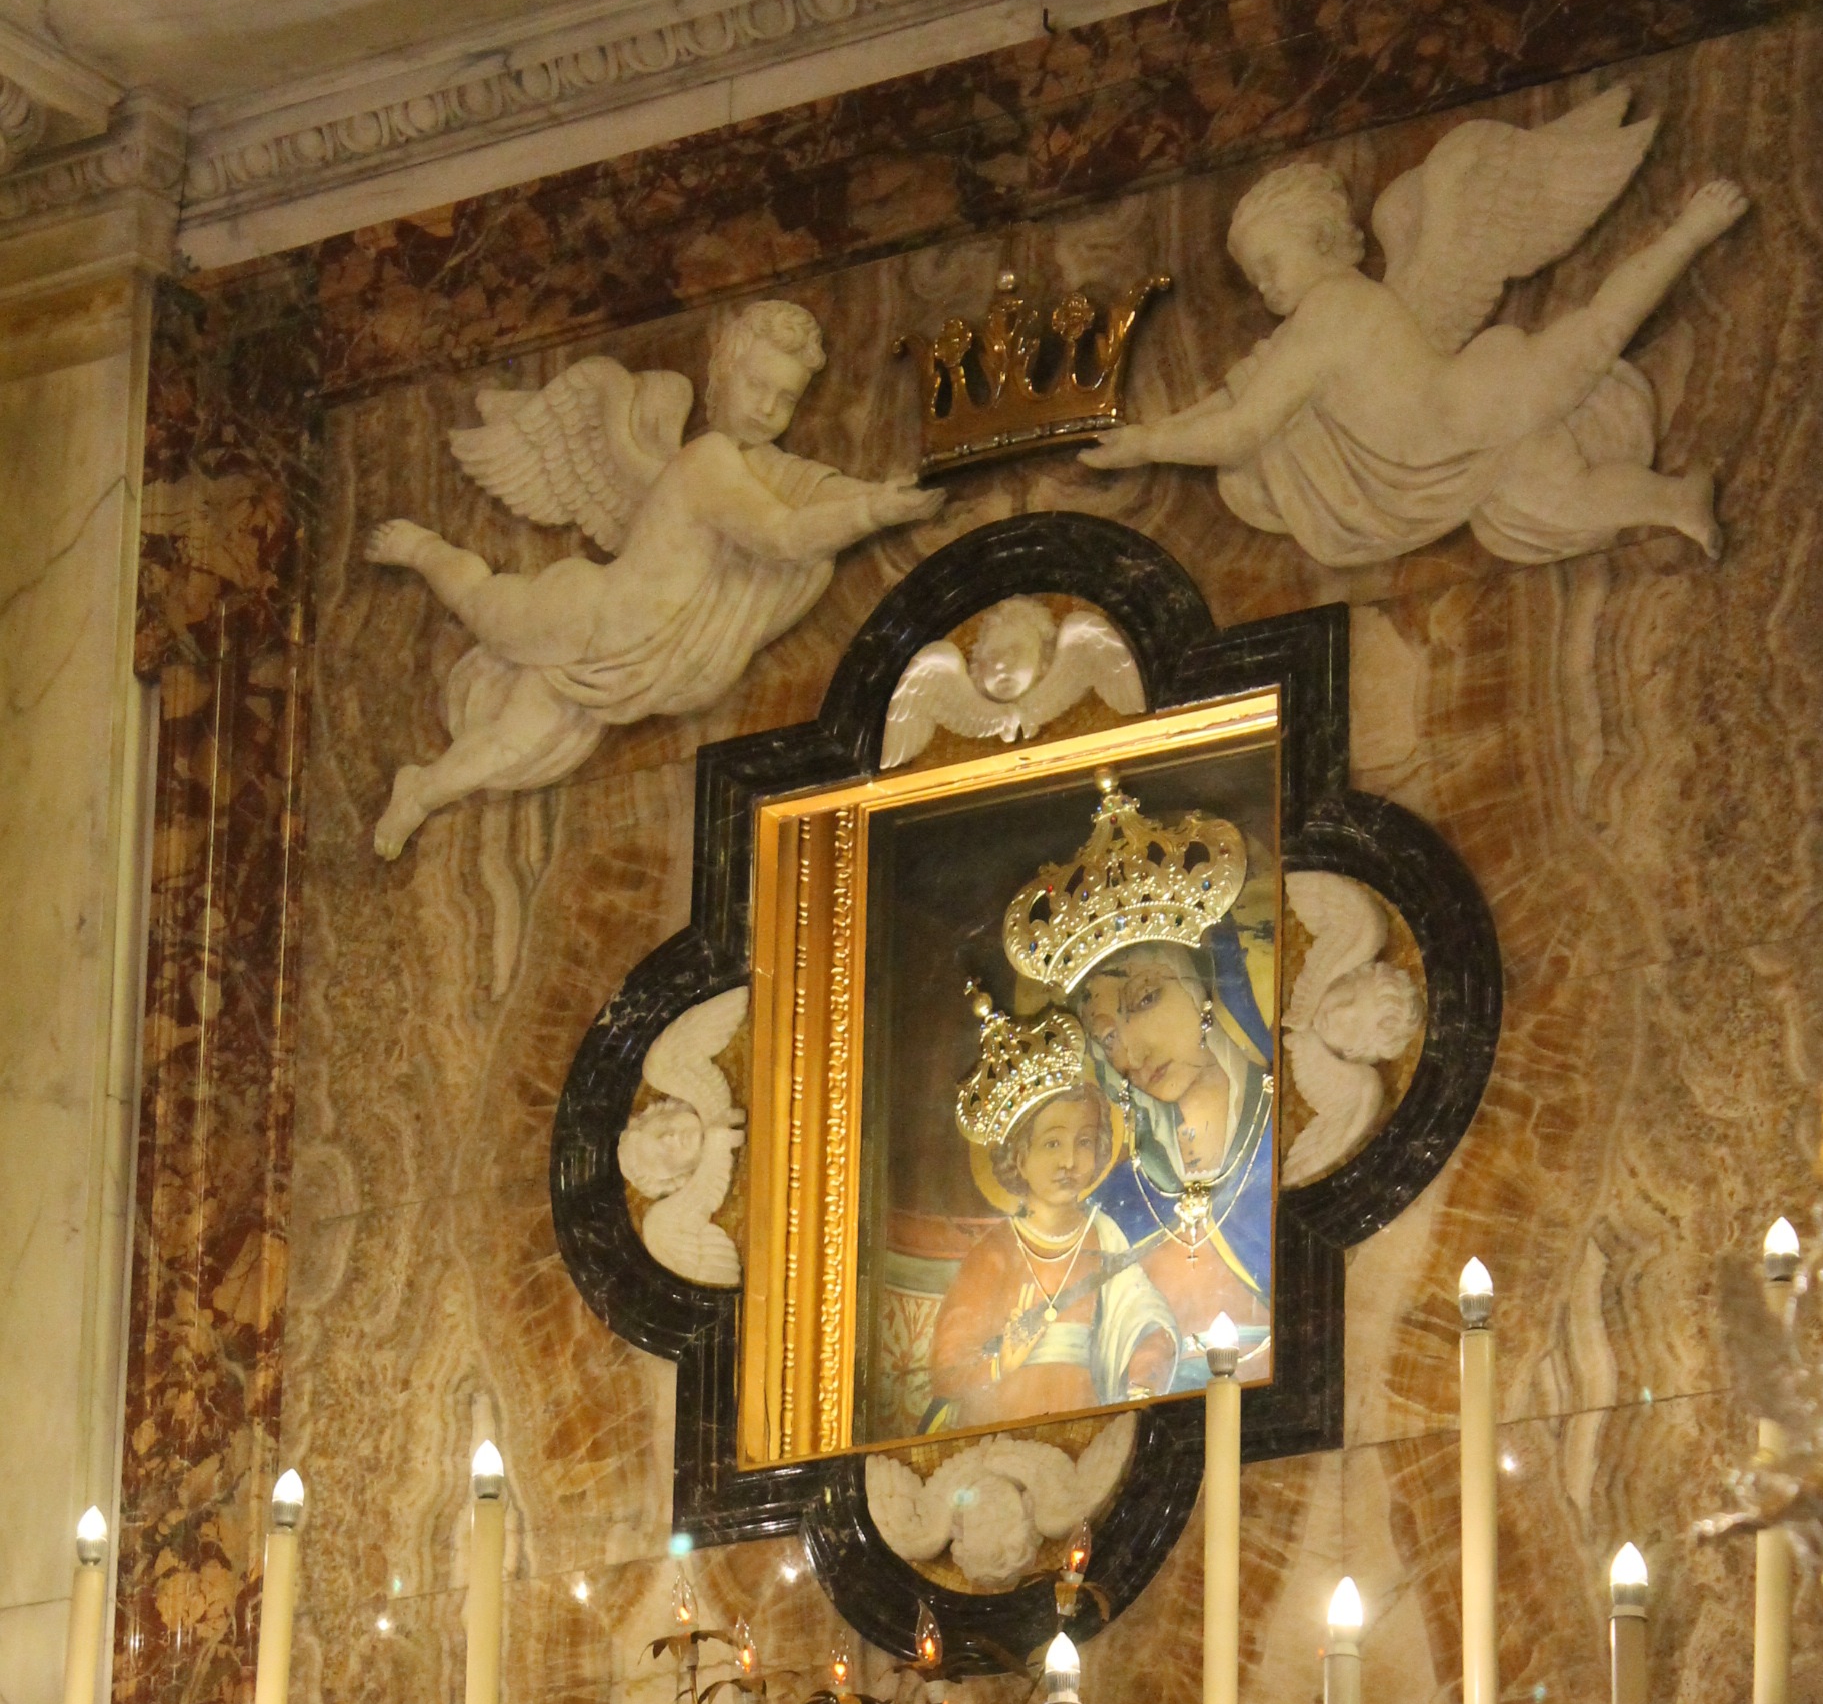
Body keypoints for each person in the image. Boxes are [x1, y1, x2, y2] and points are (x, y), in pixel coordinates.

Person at [366, 300, 941, 853]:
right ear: (722, 376)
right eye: (755, 385)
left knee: (511, 747)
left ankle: (419, 791)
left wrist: (879, 496)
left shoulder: (766, 473)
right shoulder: (708, 459)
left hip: (623, 664)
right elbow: (785, 534)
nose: (767, 407)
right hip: (583, 615)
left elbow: (815, 493)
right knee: (481, 602)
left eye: (785, 397)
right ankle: (425, 549)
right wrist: (875, 510)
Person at [1080, 145, 1746, 569]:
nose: (1264, 288)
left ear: (1320, 240)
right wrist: (1152, 432)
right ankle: (1676, 501)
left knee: (1599, 329)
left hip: (1476, 404)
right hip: (1455, 452)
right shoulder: (1310, 331)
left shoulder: (1329, 313)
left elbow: (1243, 427)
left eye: (1270, 264)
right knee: (1555, 499)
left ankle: (1691, 230)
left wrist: (1150, 446)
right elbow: (1235, 400)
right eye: (1254, 278)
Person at [928, 1042, 1179, 1432]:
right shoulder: (995, 1253)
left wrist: (1143, 1377)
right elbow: (947, 1368)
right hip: (1003, 1431)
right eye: (1052, 1143)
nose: (1069, 1161)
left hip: (1085, 1425)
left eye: (1084, 1142)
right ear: (1020, 1157)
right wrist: (1001, 1362)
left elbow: (1145, 1319)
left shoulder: (1104, 1235)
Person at [1076, 930, 1274, 1387]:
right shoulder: (1119, 1199)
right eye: (1108, 1037)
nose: (1134, 1053)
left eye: (1146, 998)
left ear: (1204, 986)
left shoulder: (1291, 1140)